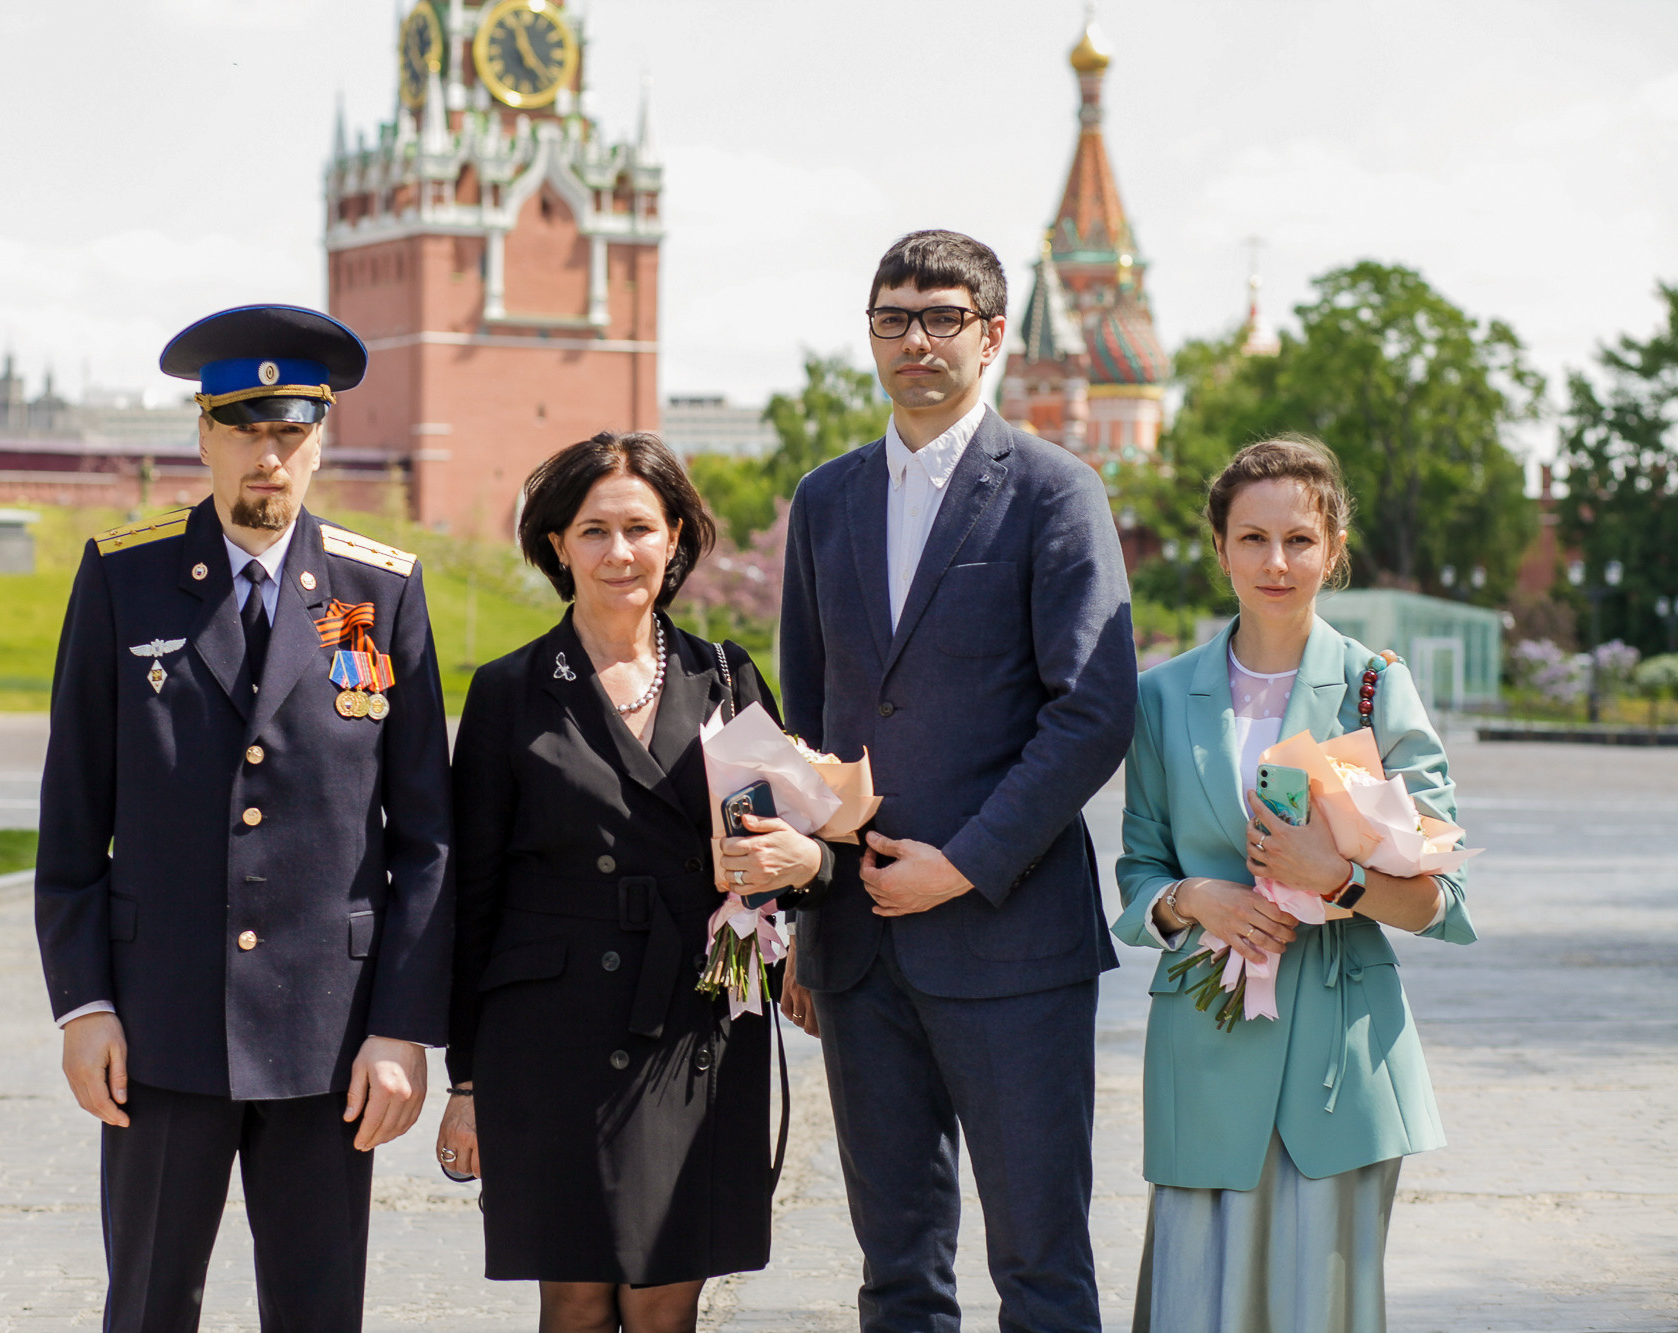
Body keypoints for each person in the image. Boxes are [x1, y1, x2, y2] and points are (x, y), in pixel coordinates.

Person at [34, 304, 454, 1333]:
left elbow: (426, 840)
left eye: (291, 430)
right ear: (203, 435)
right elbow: (72, 816)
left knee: (317, 1314)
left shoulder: (374, 594)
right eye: (243, 428)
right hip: (159, 1027)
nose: (267, 455)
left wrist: (401, 1026)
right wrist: (82, 1004)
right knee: (146, 1307)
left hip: (327, 1037)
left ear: (322, 441)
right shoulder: (125, 580)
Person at [775, 230, 1138, 1332]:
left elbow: (1092, 711)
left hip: (1008, 937)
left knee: (1038, 1263)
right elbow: (809, 721)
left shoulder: (1052, 492)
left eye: (941, 318)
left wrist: (964, 864)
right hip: (855, 940)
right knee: (895, 1270)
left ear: (990, 335)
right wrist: (801, 908)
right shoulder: (824, 498)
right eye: (893, 318)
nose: (915, 341)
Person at [436, 432, 829, 1333]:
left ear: (677, 539)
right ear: (556, 547)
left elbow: (804, 846)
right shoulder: (509, 691)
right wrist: (466, 1081)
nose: (620, 553)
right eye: (595, 530)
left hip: (693, 1022)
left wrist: (800, 899)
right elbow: (472, 897)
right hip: (548, 1032)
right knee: (572, 1299)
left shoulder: (725, 676)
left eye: (641, 529)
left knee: (664, 1299)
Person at [1113, 437, 1476, 1331]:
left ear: (1334, 546)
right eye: (1252, 538)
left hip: (1338, 1061)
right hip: (1204, 1043)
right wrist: (1195, 899)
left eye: (1300, 540)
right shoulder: (1158, 698)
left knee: (1323, 1308)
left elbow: (1442, 902)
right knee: (1196, 1304)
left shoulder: (1375, 687)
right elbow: (1138, 873)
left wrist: (1339, 878)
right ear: (1221, 546)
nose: (1277, 562)